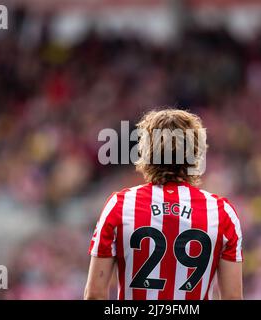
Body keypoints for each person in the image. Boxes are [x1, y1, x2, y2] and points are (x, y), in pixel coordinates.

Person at [84, 109, 243, 300]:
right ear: (195, 154)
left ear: (146, 151)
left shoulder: (120, 205)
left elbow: (95, 294)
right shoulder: (221, 213)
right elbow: (232, 297)